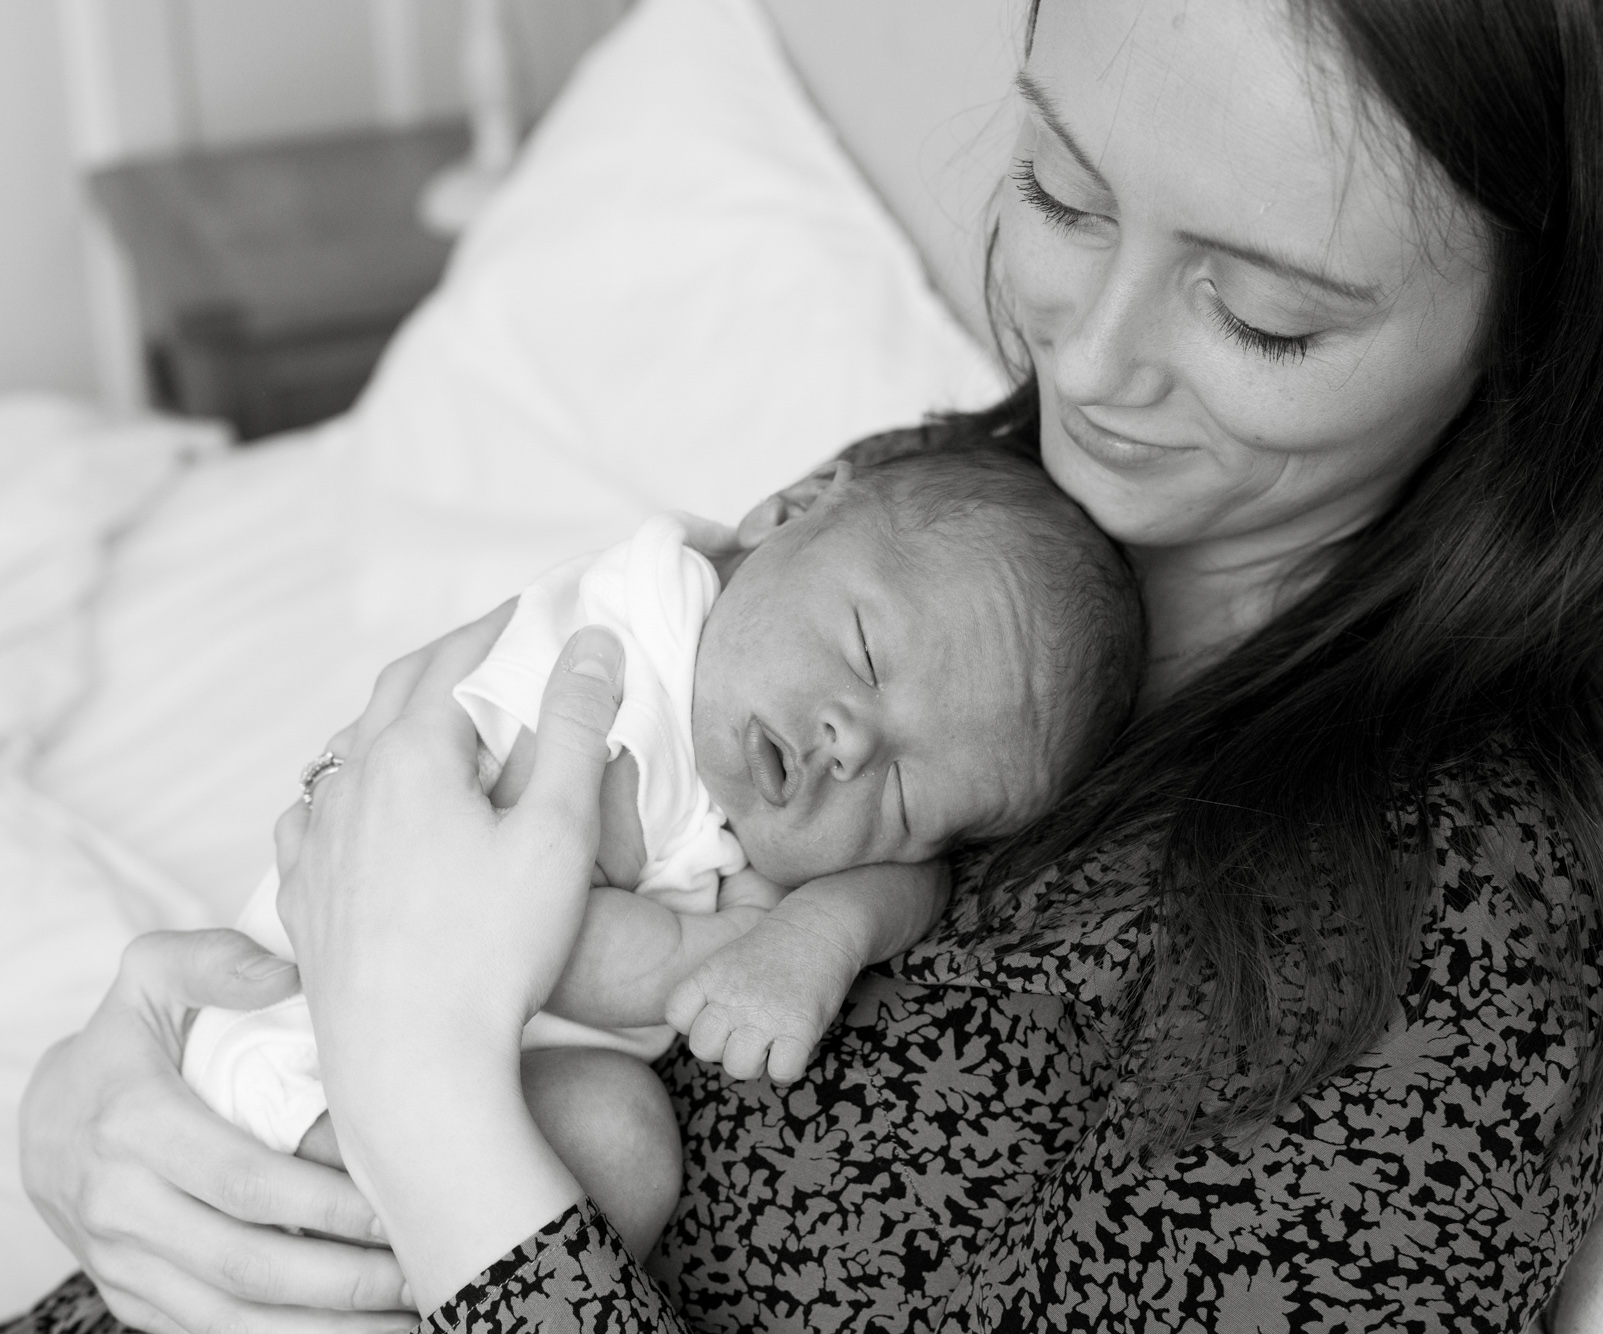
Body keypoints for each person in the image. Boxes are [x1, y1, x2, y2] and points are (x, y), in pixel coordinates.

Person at [3, 0, 1603, 1328]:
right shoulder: (922, 497)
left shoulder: (1457, 929)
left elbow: (434, 1024)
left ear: (1544, 327)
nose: (1089, 360)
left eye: (1264, 316)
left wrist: (420, 1096)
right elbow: (407, 819)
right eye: (1063, 194)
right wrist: (102, 1117)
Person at [177, 449, 1144, 1257]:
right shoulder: (620, 665)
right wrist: (723, 948)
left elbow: (917, 876)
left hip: (443, 1098)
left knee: (621, 1145)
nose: (853, 744)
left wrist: (818, 933)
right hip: (302, 1064)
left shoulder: (759, 746)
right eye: (865, 655)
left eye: (903, 790)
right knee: (623, 1143)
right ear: (781, 515)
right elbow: (511, 933)